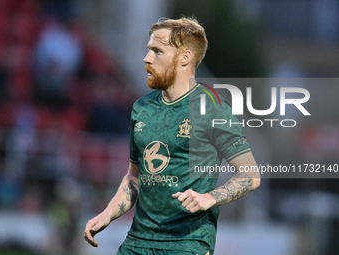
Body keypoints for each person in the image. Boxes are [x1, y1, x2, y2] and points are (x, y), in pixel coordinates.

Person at [84, 17, 260, 255]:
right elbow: (134, 177)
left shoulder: (212, 108)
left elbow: (250, 175)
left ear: (184, 58)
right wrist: (108, 214)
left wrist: (210, 197)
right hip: (138, 242)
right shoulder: (141, 108)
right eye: (148, 50)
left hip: (187, 243)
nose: (147, 59)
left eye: (157, 51)